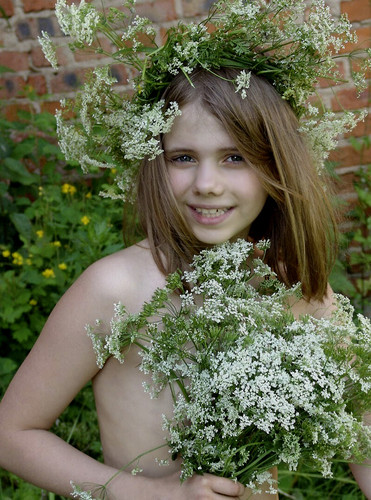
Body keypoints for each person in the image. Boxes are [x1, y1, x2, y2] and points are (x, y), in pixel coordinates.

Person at [1, 0, 371, 498]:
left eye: (235, 157)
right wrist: (157, 495)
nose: (207, 183)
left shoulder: (291, 286)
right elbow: (12, 434)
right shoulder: (118, 287)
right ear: (155, 161)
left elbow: (364, 426)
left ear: (275, 168)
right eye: (183, 157)